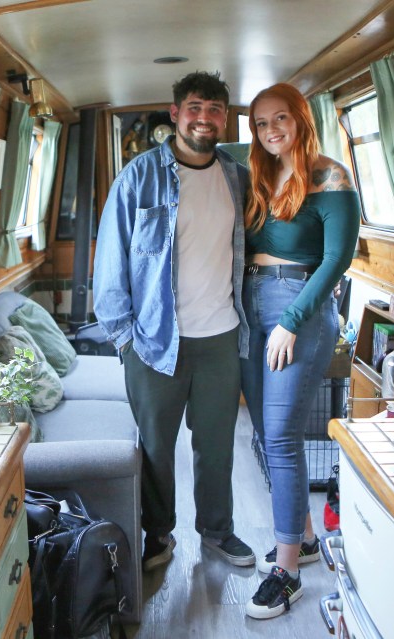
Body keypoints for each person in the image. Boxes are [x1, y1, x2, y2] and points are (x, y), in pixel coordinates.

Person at [93, 71, 256, 574]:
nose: (204, 118)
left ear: (224, 118)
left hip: (220, 337)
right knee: (157, 449)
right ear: (175, 113)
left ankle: (217, 532)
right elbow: (111, 263)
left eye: (214, 110)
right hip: (153, 340)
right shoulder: (138, 176)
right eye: (195, 107)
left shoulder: (237, 176)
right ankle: (157, 537)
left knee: (217, 446)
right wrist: (125, 338)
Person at [240, 83, 360, 619]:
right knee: (267, 435)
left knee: (283, 437)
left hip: (299, 307)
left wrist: (291, 320)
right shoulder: (256, 173)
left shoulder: (331, 175)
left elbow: (338, 259)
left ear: (301, 119)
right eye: (262, 123)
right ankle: (306, 541)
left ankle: (286, 574)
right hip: (251, 302)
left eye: (280, 119)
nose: (271, 131)